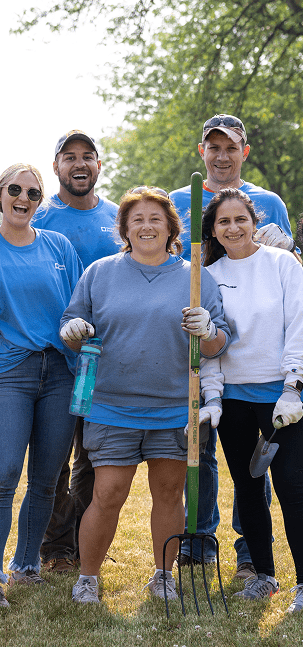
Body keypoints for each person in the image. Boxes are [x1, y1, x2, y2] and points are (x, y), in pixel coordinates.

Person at [59, 187, 230, 604]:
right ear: (124, 229)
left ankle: (163, 575)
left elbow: (219, 344)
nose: (146, 225)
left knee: (169, 493)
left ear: (172, 227)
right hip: (111, 406)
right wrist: (74, 331)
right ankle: (88, 578)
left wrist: (208, 330)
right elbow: (72, 323)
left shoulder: (195, 276)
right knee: (107, 494)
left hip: (174, 407)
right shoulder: (100, 272)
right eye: (137, 219)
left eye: (156, 218)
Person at [169, 113, 297, 575]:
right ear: (201, 152)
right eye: (213, 147)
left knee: (270, 472)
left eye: (231, 147)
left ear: (244, 152)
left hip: (266, 370)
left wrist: (291, 249)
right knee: (209, 457)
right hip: (203, 355)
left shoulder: (271, 209)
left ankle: (251, 554)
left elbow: (289, 289)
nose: (221, 155)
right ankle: (202, 541)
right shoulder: (178, 203)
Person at [0, 163, 83, 607]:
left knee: (46, 479)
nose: (23, 198)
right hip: (10, 371)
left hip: (60, 373)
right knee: (3, 473)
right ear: (0, 195)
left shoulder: (59, 246)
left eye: (32, 192)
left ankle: (26, 565)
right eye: (15, 189)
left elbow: (76, 306)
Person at [200, 188, 303, 614]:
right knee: (247, 486)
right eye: (223, 222)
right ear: (214, 230)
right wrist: (212, 397)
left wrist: (293, 386)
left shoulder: (282, 264)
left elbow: (298, 323)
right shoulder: (207, 274)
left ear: (254, 221)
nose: (233, 227)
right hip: (235, 400)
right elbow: (206, 342)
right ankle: (264, 575)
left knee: (293, 487)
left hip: (282, 397)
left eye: (240, 219)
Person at [33, 130, 120, 573]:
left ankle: (86, 540)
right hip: (56, 360)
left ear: (99, 166)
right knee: (54, 457)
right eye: (69, 157)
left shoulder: (118, 217)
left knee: (93, 455)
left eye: (88, 156)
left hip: (106, 362)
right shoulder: (40, 217)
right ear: (56, 167)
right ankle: (56, 547)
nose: (79, 164)